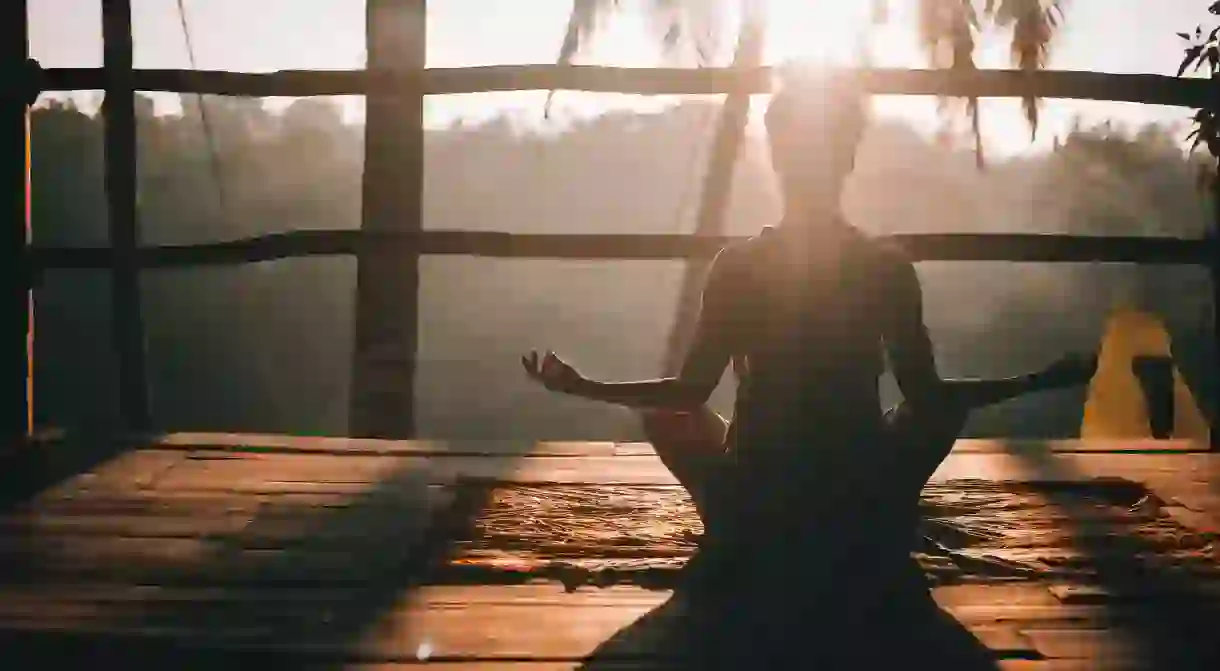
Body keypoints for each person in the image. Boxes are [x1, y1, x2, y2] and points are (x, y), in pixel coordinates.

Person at [522, 66, 1096, 666]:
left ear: (777, 156)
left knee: (668, 417)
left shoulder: (739, 265)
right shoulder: (885, 268)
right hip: (859, 494)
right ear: (847, 158)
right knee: (929, 413)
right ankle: (869, 527)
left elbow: (689, 391)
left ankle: (739, 531)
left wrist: (587, 388)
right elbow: (929, 397)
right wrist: (1038, 379)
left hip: (756, 495)